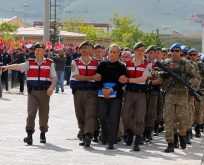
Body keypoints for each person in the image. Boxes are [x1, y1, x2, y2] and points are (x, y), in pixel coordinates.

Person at [0, 42, 57, 145]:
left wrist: (51, 88)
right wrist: (7, 67)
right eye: (35, 50)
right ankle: (29, 135)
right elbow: (18, 66)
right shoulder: (29, 62)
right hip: (32, 92)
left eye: (39, 50)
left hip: (45, 93)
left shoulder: (49, 63)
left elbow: (54, 77)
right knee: (31, 113)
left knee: (44, 115)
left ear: (44, 51)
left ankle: (43, 133)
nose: (37, 52)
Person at [159, 43, 197, 153]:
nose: (175, 53)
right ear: (170, 52)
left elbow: (196, 78)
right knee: (169, 119)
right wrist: (161, 74)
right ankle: (170, 143)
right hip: (169, 94)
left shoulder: (186, 64)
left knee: (183, 119)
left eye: (177, 51)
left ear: (180, 52)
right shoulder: (165, 63)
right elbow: (154, 73)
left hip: (182, 94)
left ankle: (182, 135)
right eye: (173, 51)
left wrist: (187, 83)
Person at [120, 41, 152, 151]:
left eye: (142, 50)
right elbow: (122, 77)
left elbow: (143, 79)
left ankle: (138, 139)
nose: (140, 52)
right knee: (125, 116)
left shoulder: (148, 64)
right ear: (134, 51)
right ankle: (129, 132)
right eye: (138, 50)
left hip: (141, 94)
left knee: (140, 118)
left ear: (144, 52)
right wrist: (123, 79)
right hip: (129, 93)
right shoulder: (127, 64)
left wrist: (129, 79)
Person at [70, 41, 101, 147]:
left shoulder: (97, 63)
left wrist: (97, 78)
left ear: (90, 49)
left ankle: (88, 135)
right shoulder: (75, 62)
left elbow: (100, 77)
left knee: (90, 114)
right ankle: (83, 133)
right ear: (79, 50)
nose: (84, 50)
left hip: (92, 92)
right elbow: (76, 76)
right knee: (80, 115)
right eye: (82, 48)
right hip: (78, 92)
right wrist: (92, 77)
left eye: (86, 48)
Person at [96, 44, 126, 149]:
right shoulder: (102, 65)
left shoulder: (122, 66)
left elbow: (122, 82)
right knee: (103, 117)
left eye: (114, 52)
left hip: (116, 95)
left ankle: (111, 140)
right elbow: (97, 79)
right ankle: (104, 134)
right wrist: (103, 89)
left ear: (119, 54)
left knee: (114, 118)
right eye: (111, 52)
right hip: (102, 94)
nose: (112, 54)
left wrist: (111, 90)